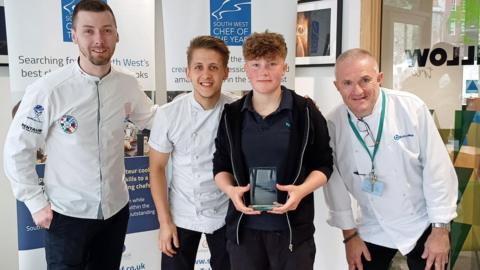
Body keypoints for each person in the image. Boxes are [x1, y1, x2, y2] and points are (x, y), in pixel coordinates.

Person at [3, 1, 156, 269]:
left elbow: (153, 119)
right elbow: (18, 149)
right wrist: (35, 203)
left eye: (107, 30)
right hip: (66, 216)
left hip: (115, 212)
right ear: (74, 35)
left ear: (117, 35)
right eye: (88, 31)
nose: (99, 39)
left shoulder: (127, 84)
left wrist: (198, 106)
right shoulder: (49, 89)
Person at [323, 48, 458, 270]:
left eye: (365, 80)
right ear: (337, 86)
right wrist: (349, 237)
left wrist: (440, 229)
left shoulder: (411, 108)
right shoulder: (332, 124)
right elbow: (334, 185)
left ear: (380, 78)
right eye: (347, 83)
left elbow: (438, 169)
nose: (357, 91)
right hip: (371, 224)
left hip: (423, 222)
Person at [212, 31, 333, 270]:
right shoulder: (232, 115)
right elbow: (221, 164)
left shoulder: (305, 112)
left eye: (272, 64)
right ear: (246, 68)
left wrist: (301, 191)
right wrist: (230, 191)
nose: (264, 72)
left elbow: (324, 164)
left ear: (284, 67)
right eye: (256, 64)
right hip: (244, 233)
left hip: (292, 234)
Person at [148, 35, 234, 270]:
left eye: (213, 67)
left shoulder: (237, 111)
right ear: (187, 72)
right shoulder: (169, 114)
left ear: (225, 72)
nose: (206, 75)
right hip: (182, 213)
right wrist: (165, 223)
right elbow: (156, 168)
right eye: (198, 67)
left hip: (226, 213)